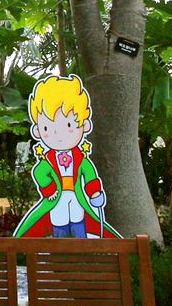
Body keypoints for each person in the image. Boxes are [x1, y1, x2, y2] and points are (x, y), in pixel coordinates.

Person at [13, 75, 119, 238]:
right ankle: (60, 249)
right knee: (59, 221)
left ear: (84, 125)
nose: (58, 134)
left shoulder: (80, 159)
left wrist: (94, 192)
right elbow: (39, 172)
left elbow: (89, 174)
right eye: (47, 128)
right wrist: (49, 189)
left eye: (69, 125)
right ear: (37, 131)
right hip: (57, 199)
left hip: (77, 198)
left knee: (78, 220)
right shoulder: (48, 160)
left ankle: (81, 246)